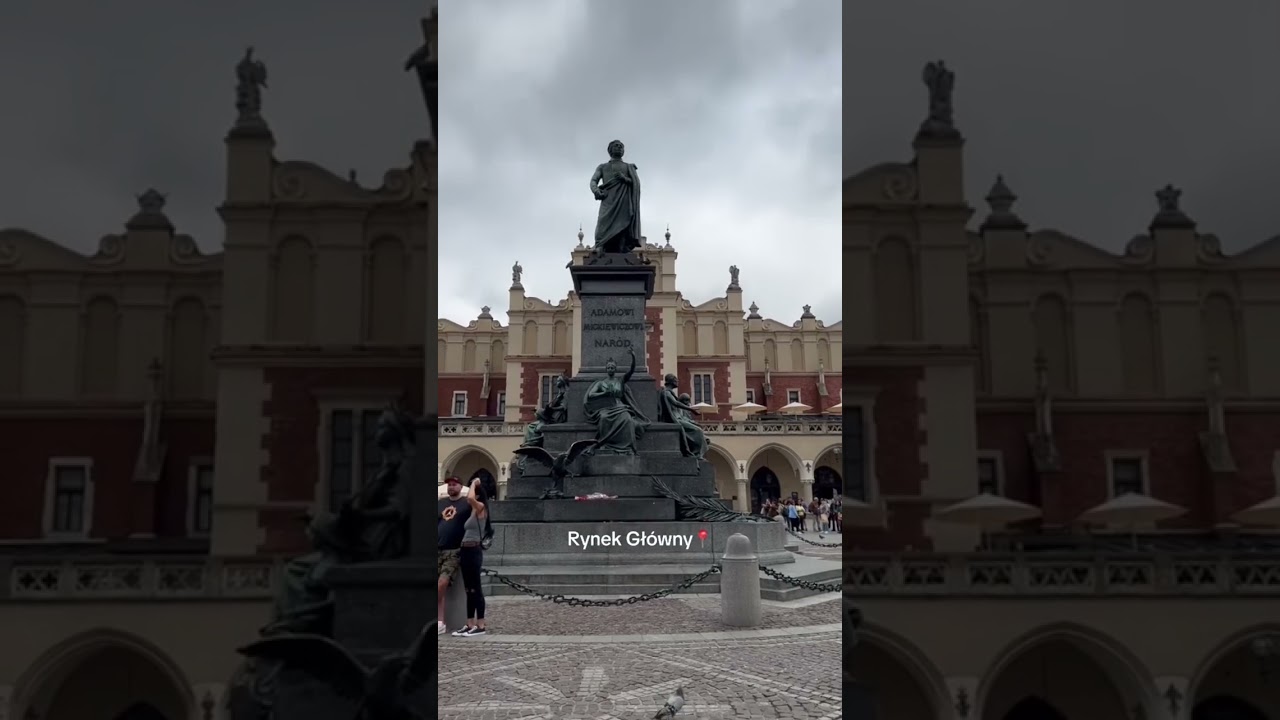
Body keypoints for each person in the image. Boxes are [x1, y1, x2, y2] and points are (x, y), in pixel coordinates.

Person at [452, 477, 491, 637]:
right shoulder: (472, 512)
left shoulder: (481, 507)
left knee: (476, 588)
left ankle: (480, 624)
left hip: (474, 551)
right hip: (465, 551)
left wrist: (474, 483)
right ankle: (469, 623)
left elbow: (469, 497)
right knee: (468, 589)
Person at [437, 476, 471, 634]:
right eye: (449, 485)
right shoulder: (441, 503)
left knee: (442, 583)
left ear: (460, 486)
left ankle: (439, 620)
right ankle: (440, 621)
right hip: (438, 549)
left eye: (454, 484)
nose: (451, 487)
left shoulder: (466, 503)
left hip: (454, 550)